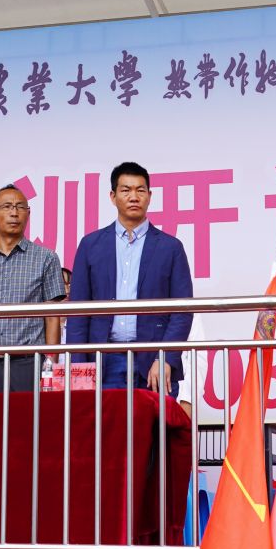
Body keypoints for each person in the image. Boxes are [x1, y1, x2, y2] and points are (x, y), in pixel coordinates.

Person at [65, 162, 193, 394]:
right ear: (113, 197)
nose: (134, 197)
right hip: (103, 361)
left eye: (140, 190)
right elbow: (77, 313)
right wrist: (79, 368)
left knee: (156, 420)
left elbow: (182, 311)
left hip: (153, 362)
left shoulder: (171, 247)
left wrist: (165, 357)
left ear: (149, 196)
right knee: (103, 420)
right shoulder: (91, 245)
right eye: (126, 190)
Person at [0, 184, 65, 391]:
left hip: (29, 361)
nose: (14, 213)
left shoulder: (46, 258)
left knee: (30, 413)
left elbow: (52, 318)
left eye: (20, 207)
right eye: (7, 206)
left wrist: (50, 366)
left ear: (28, 214)